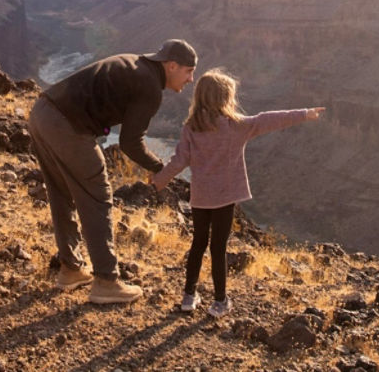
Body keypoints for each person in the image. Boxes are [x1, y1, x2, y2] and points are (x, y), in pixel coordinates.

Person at [28, 39, 197, 304]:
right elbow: (130, 142)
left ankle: (71, 269)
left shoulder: (136, 64)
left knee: (61, 193)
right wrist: (158, 168)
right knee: (98, 196)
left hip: (41, 114)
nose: (190, 79)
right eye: (188, 71)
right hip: (68, 126)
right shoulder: (150, 87)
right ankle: (106, 281)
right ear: (172, 65)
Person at [151, 68, 324, 317]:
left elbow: (178, 161)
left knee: (198, 243)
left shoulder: (191, 127)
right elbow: (268, 119)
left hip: (201, 197)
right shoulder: (236, 126)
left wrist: (158, 181)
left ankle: (189, 296)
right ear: (224, 98)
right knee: (218, 248)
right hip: (225, 197)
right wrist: (305, 114)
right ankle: (219, 302)